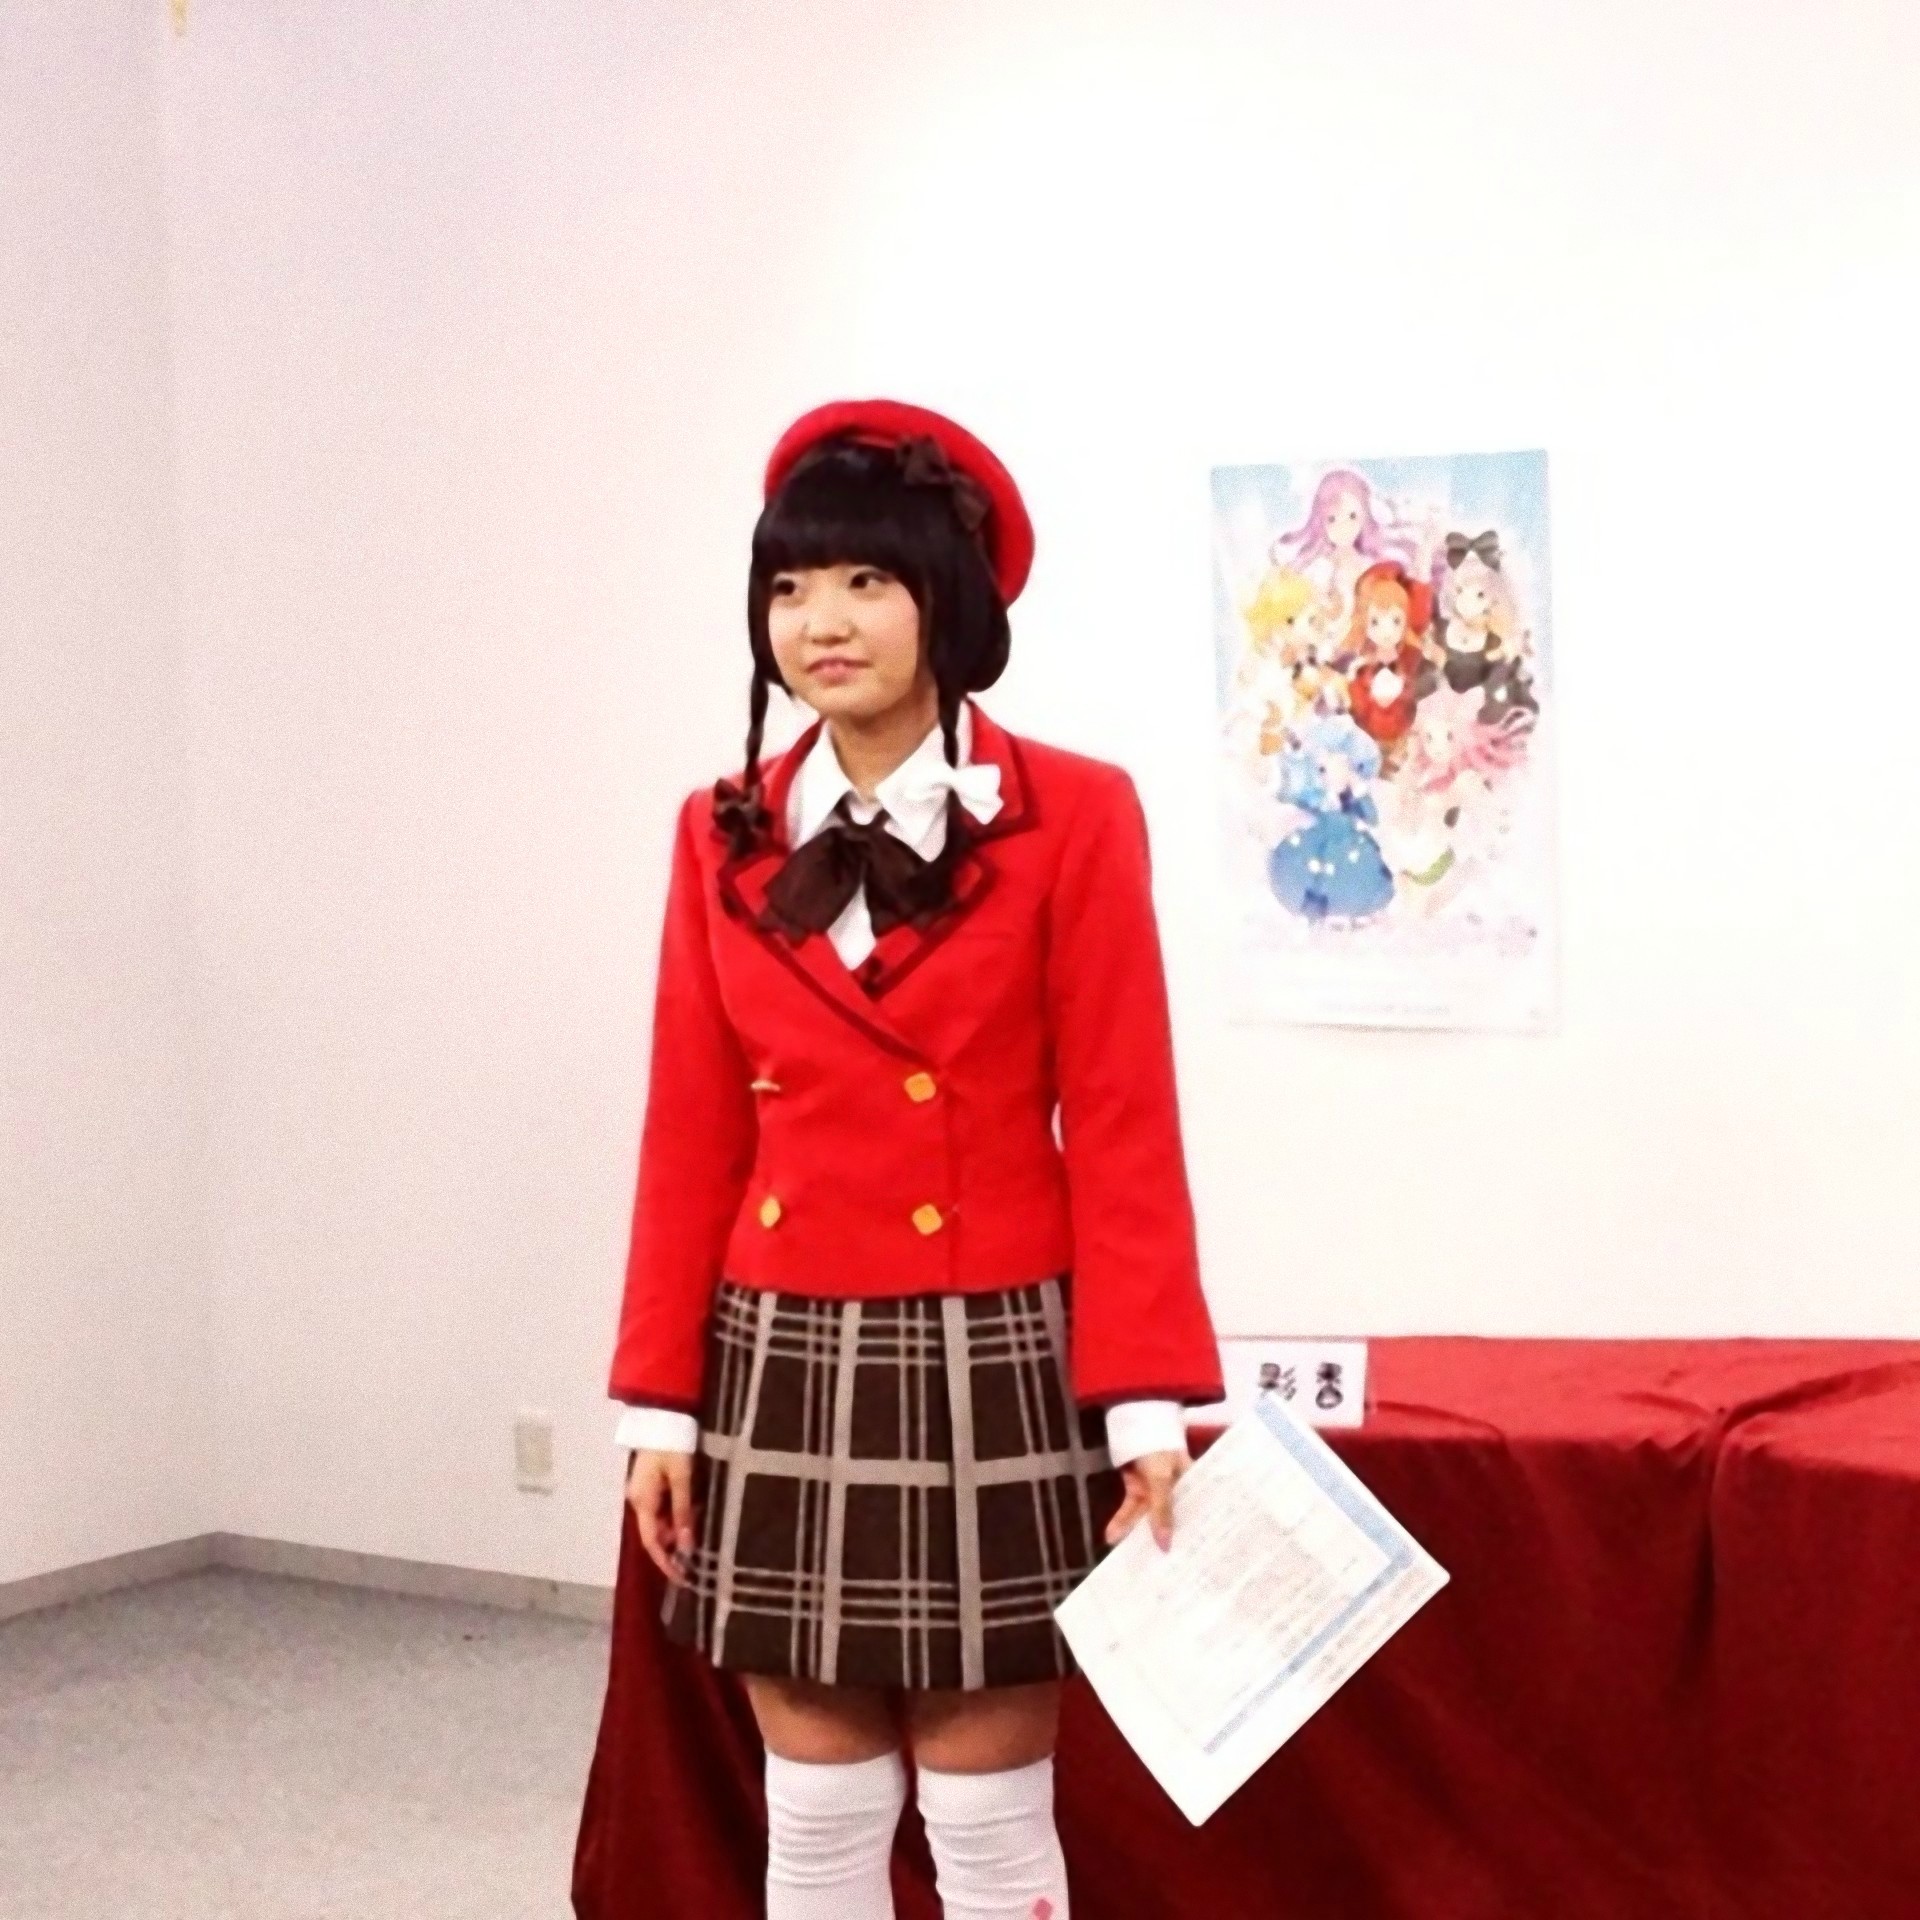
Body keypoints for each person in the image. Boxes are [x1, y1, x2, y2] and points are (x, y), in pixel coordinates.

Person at [608, 398, 1224, 1920]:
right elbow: (692, 1125)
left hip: (995, 1336)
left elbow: (1124, 1119)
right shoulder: (719, 830)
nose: (820, 623)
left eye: (865, 582)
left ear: (945, 601)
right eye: (789, 587)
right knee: (815, 1813)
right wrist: (660, 1400)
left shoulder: (1076, 813)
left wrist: (1144, 1397)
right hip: (782, 1338)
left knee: (989, 1813)